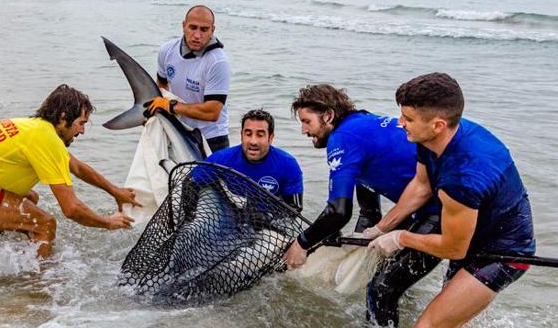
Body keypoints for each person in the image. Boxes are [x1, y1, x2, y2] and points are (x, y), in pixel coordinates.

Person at [366, 73, 535, 328]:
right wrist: (382, 227)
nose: (400, 123)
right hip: (469, 234)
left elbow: (454, 249)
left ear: (438, 125)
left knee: (429, 325)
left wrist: (400, 238)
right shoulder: (431, 137)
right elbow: (421, 187)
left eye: (408, 119)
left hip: (503, 252)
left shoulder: (462, 178)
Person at [281, 84, 441, 327]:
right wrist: (346, 242)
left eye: (306, 121)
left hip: (442, 211)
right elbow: (369, 213)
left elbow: (338, 212)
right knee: (393, 276)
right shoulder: (361, 125)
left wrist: (301, 244)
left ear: (328, 116)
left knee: (380, 290)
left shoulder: (342, 139)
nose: (304, 130)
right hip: (428, 207)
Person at [0, 85, 139, 257]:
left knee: (31, 197)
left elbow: (76, 167)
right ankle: (36, 285)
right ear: (64, 117)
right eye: (81, 123)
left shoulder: (34, 127)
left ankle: (5, 252)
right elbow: (72, 209)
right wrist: (108, 222)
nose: (82, 131)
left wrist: (114, 191)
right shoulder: (46, 140)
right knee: (45, 223)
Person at [145, 5, 232, 152]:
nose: (197, 35)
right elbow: (162, 84)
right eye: (193, 27)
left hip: (212, 138)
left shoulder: (218, 62)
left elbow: (212, 112)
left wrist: (171, 106)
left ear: (212, 30)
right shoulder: (167, 50)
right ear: (184, 26)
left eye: (204, 29)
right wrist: (156, 111)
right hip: (180, 132)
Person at [203, 109, 303, 210]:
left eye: (260, 135)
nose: (253, 141)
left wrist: (269, 219)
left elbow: (295, 209)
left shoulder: (288, 164)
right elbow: (191, 183)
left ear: (270, 138)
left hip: (270, 221)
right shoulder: (221, 159)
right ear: (241, 135)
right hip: (230, 216)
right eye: (248, 134)